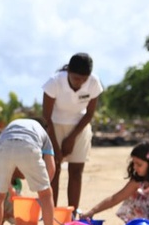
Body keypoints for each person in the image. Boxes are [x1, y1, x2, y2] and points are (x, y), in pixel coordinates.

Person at [42, 52, 104, 211]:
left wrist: (71, 138)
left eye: (84, 80)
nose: (80, 83)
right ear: (68, 71)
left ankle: (72, 213)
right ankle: (51, 212)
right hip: (54, 127)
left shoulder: (93, 82)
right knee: (53, 171)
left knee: (76, 172)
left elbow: (89, 114)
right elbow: (46, 118)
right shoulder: (54, 82)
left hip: (80, 127)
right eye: (76, 78)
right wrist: (55, 146)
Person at [0, 118, 64, 225]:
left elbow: (1, 160)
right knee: (47, 195)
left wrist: (7, 188)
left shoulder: (8, 128)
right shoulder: (44, 134)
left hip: (5, 145)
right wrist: (44, 190)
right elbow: (51, 167)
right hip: (28, 145)